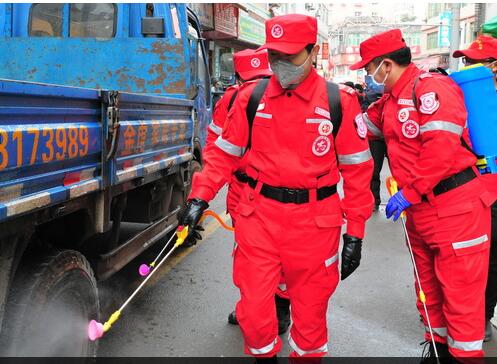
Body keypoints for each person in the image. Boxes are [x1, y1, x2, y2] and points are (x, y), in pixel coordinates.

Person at [180, 14, 373, 359]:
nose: (281, 64)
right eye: (274, 56)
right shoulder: (250, 98)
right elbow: (223, 156)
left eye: (290, 55)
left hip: (316, 224)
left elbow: (358, 174)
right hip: (259, 219)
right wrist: (199, 197)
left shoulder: (339, 102)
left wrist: (355, 233)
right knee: (253, 311)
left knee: (310, 320)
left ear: (313, 51)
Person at [352, 29, 492, 361]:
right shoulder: (389, 101)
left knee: (461, 299)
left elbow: (440, 152)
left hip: (456, 208)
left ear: (386, 64)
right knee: (428, 292)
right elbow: (359, 128)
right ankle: (439, 350)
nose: (367, 76)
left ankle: (464, 357)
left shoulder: (432, 89)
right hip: (421, 213)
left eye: (369, 69)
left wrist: (410, 192)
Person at [204, 48, 291, 334]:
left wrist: (210, 181)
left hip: (247, 189)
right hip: (268, 189)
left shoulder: (235, 96)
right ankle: (277, 309)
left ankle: (257, 310)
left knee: (250, 255)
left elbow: (213, 146)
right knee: (278, 254)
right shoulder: (281, 92)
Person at [453, 34, 497, 342]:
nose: (468, 66)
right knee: (475, 256)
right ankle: (472, 314)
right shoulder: (462, 96)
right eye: (466, 60)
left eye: (476, 62)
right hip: (475, 189)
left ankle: (482, 313)